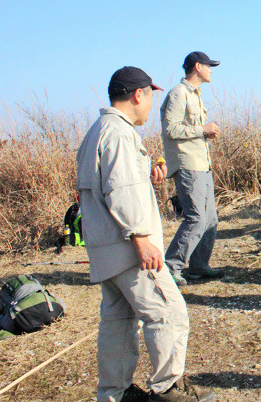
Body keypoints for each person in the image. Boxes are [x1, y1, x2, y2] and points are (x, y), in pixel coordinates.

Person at [77, 67, 214, 402]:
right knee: (169, 312)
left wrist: (147, 176)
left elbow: (103, 187)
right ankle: (168, 390)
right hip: (128, 248)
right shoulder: (120, 133)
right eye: (149, 97)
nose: (150, 105)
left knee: (118, 322)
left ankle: (116, 393)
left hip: (104, 248)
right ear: (139, 95)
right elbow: (120, 190)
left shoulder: (98, 130)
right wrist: (140, 237)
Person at [160, 51, 223, 287]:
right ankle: (170, 268)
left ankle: (198, 266)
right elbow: (170, 129)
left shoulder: (195, 95)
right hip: (188, 165)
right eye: (209, 66)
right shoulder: (178, 94)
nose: (211, 70)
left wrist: (205, 132)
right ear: (198, 66)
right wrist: (202, 130)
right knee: (196, 217)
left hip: (201, 164)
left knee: (210, 219)